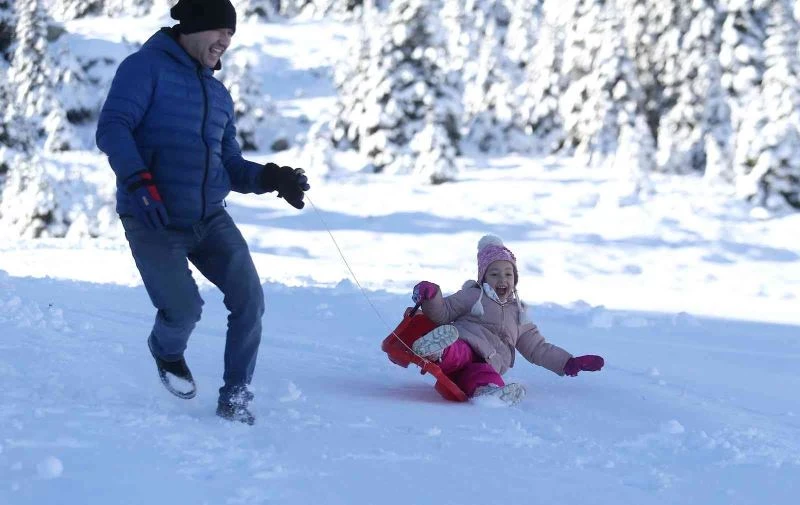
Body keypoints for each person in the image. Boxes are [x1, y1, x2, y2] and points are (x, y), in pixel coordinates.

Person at [95, 0, 310, 425]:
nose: (225, 41)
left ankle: (235, 395)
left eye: (230, 34)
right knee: (184, 310)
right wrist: (140, 185)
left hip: (210, 217)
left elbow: (229, 164)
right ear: (193, 27)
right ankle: (167, 350)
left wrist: (272, 177)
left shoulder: (218, 93)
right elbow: (113, 127)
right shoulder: (144, 68)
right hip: (152, 217)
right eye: (219, 31)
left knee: (250, 300)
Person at [410, 235, 604, 405]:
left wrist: (568, 362)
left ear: (515, 279)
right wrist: (432, 295)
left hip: (489, 363)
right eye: (494, 274)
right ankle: (438, 350)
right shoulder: (472, 296)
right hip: (466, 344)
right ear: (483, 278)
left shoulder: (519, 314)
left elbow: (537, 348)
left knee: (484, 376)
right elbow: (443, 312)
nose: (502, 279)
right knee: (459, 351)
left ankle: (489, 393)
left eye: (508, 274)